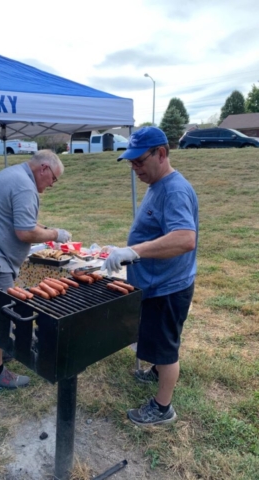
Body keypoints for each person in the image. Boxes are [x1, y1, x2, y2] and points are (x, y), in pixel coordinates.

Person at [101, 127, 198, 426]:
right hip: (156, 282)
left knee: (166, 348)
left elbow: (185, 238)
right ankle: (155, 370)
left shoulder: (174, 189)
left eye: (139, 161)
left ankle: (162, 407)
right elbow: (155, 233)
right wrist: (122, 248)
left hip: (167, 286)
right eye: (130, 162)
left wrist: (135, 251)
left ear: (161, 153)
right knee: (156, 340)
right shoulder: (158, 185)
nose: (134, 168)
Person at [0, 150, 71, 390]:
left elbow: (24, 220)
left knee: (1, 309)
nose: (52, 185)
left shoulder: (16, 175)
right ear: (44, 169)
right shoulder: (24, 186)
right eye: (54, 179)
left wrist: (47, 228)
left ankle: (0, 352)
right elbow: (26, 232)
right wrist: (56, 234)